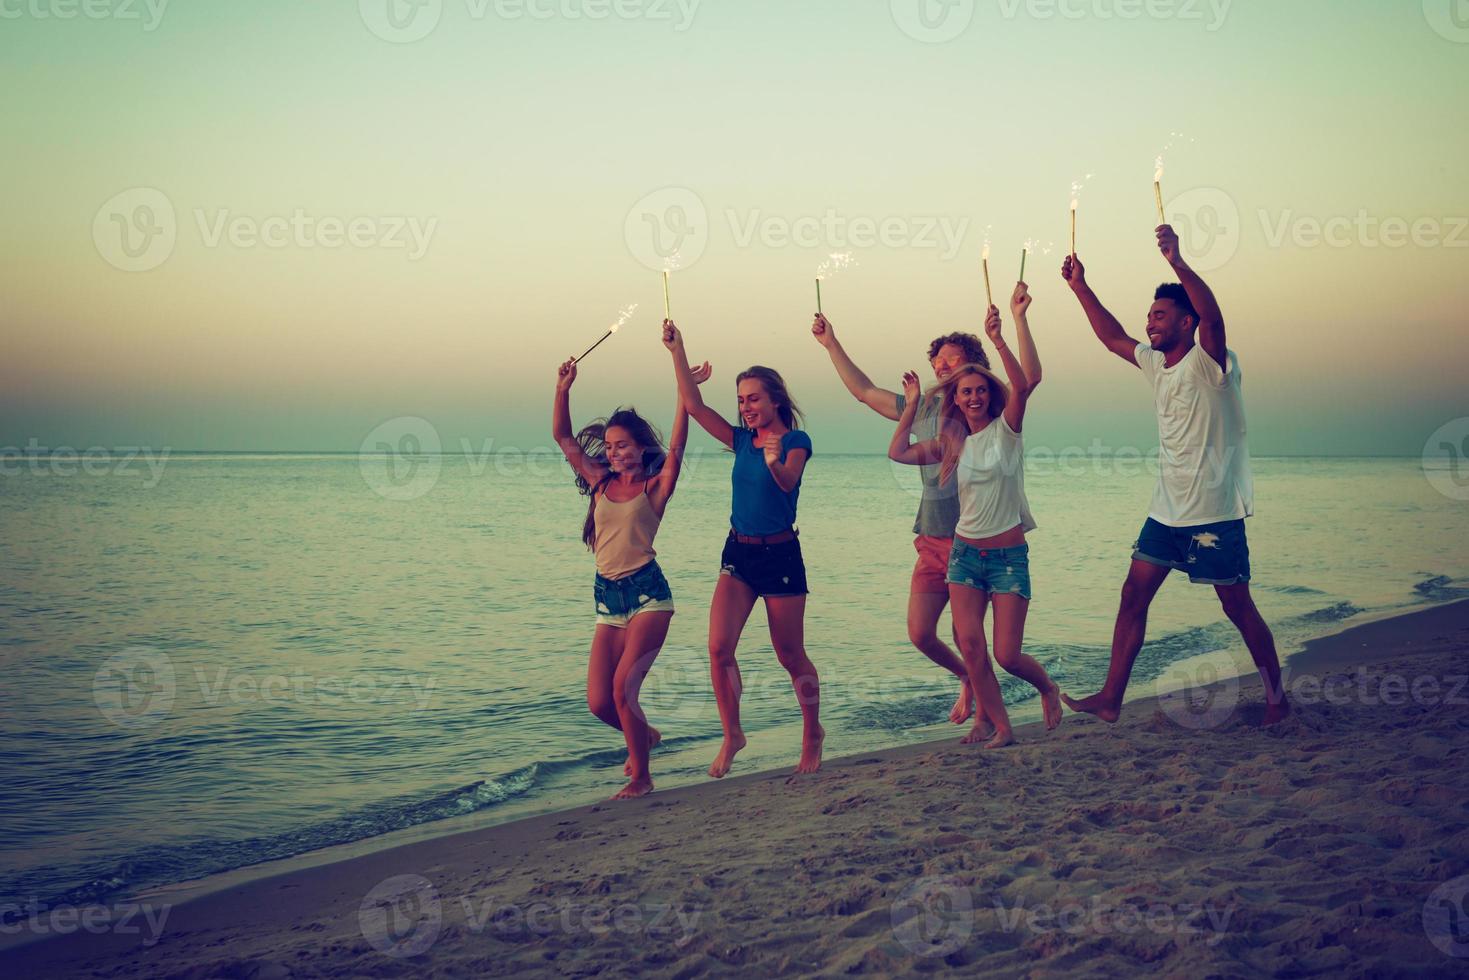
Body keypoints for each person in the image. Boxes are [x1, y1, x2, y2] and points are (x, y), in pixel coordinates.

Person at [1058, 225, 1289, 725]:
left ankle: (1276, 698)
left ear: (1187, 323)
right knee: (1132, 596)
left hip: (1212, 517)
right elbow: (1112, 337)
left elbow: (1216, 317)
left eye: (1160, 315)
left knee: (1237, 608)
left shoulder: (1213, 363)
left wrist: (1178, 263)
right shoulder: (1155, 364)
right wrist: (1080, 287)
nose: (1150, 323)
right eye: (1150, 315)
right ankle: (1112, 698)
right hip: (1165, 513)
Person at [888, 286, 1062, 747]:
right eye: (965, 392)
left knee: (1006, 653)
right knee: (969, 645)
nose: (973, 397)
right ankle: (1000, 725)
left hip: (1007, 556)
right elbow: (899, 451)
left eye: (980, 390)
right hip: (965, 555)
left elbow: (1023, 383)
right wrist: (908, 408)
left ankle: (1047, 687)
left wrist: (1005, 332)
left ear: (991, 393)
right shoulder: (952, 442)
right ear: (957, 399)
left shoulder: (1008, 431)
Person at [812, 314, 993, 726]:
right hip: (930, 539)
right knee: (920, 633)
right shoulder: (923, 404)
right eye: (938, 361)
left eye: (952, 359)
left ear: (974, 365)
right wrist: (831, 344)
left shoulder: (978, 406)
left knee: (971, 637)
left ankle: (986, 713)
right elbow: (864, 392)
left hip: (971, 539)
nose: (942, 366)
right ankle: (966, 678)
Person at [663, 319, 824, 778]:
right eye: (740, 400)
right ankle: (733, 734)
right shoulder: (739, 440)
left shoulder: (796, 441)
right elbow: (693, 406)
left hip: (781, 557)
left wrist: (774, 458)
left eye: (753, 398)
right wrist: (678, 349)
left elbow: (788, 481)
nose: (746, 407)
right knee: (718, 648)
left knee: (790, 655)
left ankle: (812, 731)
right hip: (739, 553)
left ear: (775, 400)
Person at [552, 354, 711, 799]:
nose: (615, 452)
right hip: (607, 599)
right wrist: (563, 388)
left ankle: (642, 777)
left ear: (640, 448)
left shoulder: (655, 487)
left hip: (648, 596)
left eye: (623, 445)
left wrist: (685, 395)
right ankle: (647, 737)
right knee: (600, 702)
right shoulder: (600, 482)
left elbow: (678, 445)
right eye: (610, 445)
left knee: (624, 690)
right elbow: (563, 437)